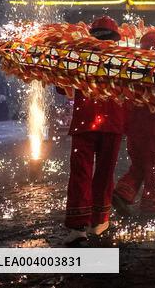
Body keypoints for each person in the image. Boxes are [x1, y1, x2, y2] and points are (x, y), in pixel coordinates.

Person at [63, 15, 127, 246]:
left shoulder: (78, 57)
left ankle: (78, 225)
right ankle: (99, 220)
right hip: (112, 124)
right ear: (114, 37)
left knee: (81, 172)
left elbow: (62, 86)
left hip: (84, 123)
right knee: (104, 172)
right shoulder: (124, 59)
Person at [112, 29, 155, 216]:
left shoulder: (131, 69)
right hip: (151, 126)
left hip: (132, 125)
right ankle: (151, 205)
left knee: (139, 163)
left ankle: (122, 193)